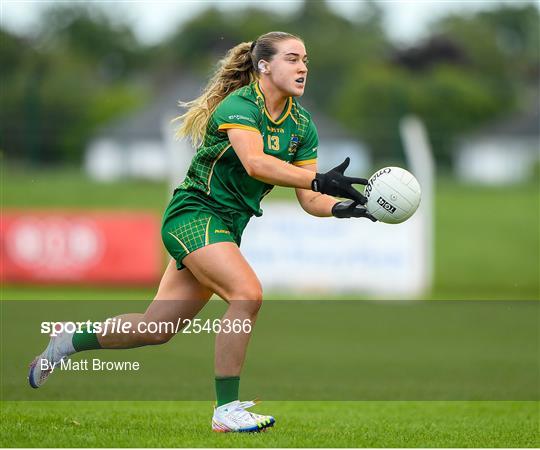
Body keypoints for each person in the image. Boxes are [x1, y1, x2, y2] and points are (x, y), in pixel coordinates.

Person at [28, 31, 376, 433]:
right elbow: (255, 163)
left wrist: (343, 207)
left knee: (155, 329)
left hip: (224, 228)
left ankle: (67, 341)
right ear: (264, 66)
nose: (303, 68)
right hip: (193, 214)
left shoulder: (302, 124)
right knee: (247, 294)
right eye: (293, 59)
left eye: (306, 60)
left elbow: (308, 198)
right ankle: (226, 410)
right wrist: (317, 180)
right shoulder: (241, 104)